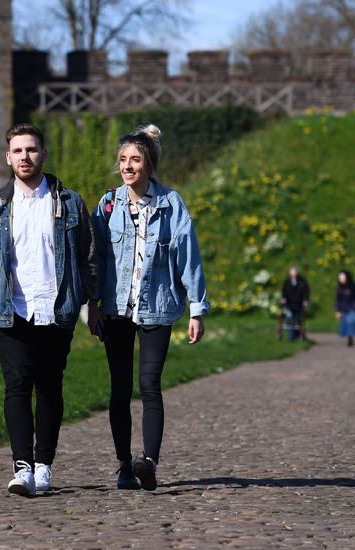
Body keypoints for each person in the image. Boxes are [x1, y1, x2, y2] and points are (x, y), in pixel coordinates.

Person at [0, 123, 97, 497]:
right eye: (18, 151)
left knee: (50, 388)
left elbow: (90, 257)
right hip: (11, 311)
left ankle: (44, 465)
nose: (25, 157)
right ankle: (21, 466)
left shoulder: (69, 202)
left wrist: (79, 295)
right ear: (8, 157)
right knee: (17, 385)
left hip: (55, 308)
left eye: (32, 150)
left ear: (43, 154)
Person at [89, 124, 209, 491]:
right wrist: (92, 304)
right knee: (120, 388)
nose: (127, 166)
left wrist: (196, 308)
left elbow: (188, 256)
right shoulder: (107, 204)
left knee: (150, 384)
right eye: (123, 160)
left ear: (149, 165)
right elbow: (98, 259)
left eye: (135, 160)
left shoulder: (172, 204)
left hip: (157, 307)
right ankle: (125, 464)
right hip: (116, 308)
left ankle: (149, 463)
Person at [280, 266, 310, 341]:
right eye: (292, 273)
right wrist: (283, 298)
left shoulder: (302, 281)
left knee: (298, 320)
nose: (294, 274)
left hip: (298, 305)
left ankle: (297, 335)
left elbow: (306, 292)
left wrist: (305, 300)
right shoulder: (287, 282)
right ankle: (291, 337)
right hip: (289, 305)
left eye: (295, 272)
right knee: (290, 318)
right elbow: (284, 291)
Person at [335, 270, 355, 347]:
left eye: (343, 277)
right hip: (344, 309)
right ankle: (350, 339)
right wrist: (338, 311)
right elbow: (338, 300)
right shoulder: (339, 288)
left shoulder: (354, 286)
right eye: (340, 278)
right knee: (347, 324)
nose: (341, 279)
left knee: (354, 322)